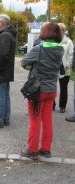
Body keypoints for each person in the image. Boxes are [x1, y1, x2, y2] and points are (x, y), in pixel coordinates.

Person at [21, 22, 63, 160]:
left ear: (44, 32)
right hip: (51, 89)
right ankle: (45, 149)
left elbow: (24, 62)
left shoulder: (39, 49)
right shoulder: (60, 49)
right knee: (47, 120)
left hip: (37, 90)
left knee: (34, 119)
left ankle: (32, 150)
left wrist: (33, 68)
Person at [53, 23, 73, 113]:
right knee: (52, 87)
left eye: (58, 29)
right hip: (53, 68)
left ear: (63, 31)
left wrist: (67, 66)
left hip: (65, 68)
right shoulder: (53, 40)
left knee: (63, 88)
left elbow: (71, 55)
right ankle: (51, 105)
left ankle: (62, 106)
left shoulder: (68, 41)